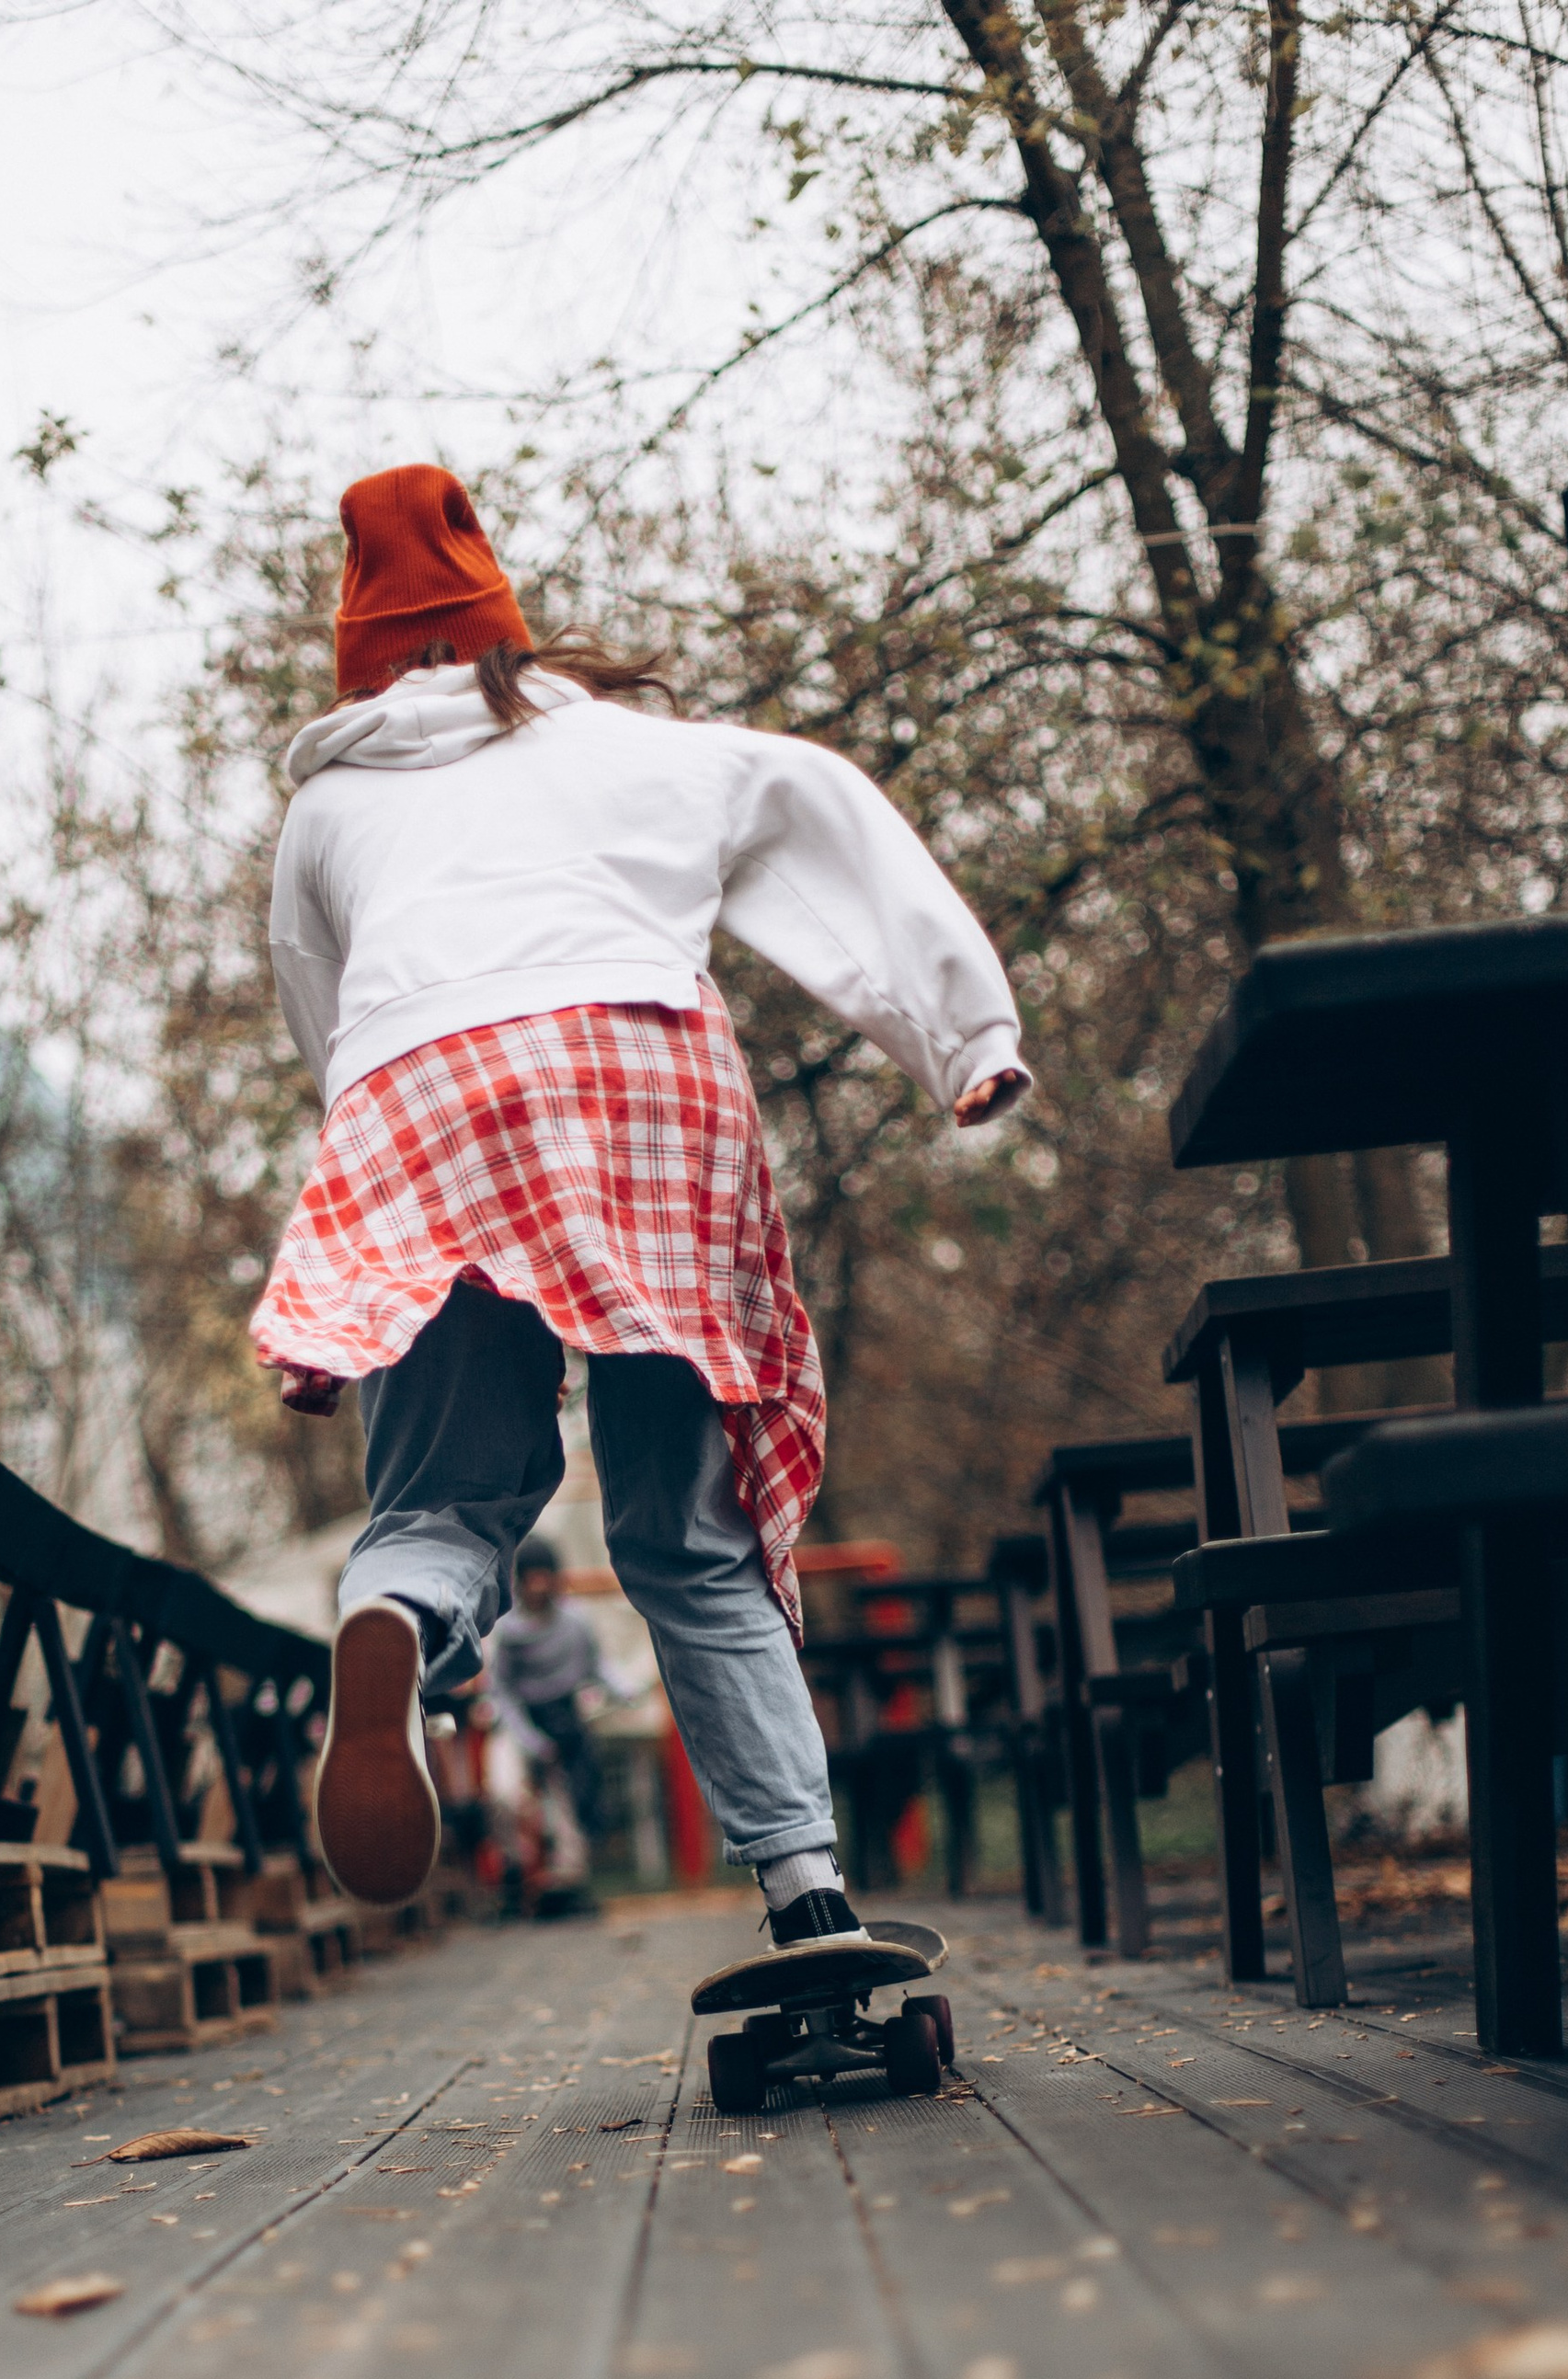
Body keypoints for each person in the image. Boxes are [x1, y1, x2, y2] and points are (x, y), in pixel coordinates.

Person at [255, 463, 1029, 1951]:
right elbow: (818, 798)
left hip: (419, 1099)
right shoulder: (626, 745)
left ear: (359, 657)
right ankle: (808, 1892)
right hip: (636, 1083)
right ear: (506, 634)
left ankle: (399, 1622)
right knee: (687, 1532)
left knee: (440, 1500)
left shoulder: (328, 812)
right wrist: (963, 1037)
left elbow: (327, 1028)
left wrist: (376, 1257)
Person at [485, 1538, 616, 1847]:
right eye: (533, 1578)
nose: (540, 1587)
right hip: (521, 1722)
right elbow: (501, 1690)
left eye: (545, 1577)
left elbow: (596, 1667)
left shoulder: (575, 1621)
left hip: (565, 1720)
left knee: (570, 1804)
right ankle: (515, 1872)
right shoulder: (508, 1630)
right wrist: (529, 1739)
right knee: (506, 1795)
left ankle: (566, 1880)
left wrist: (624, 1691)